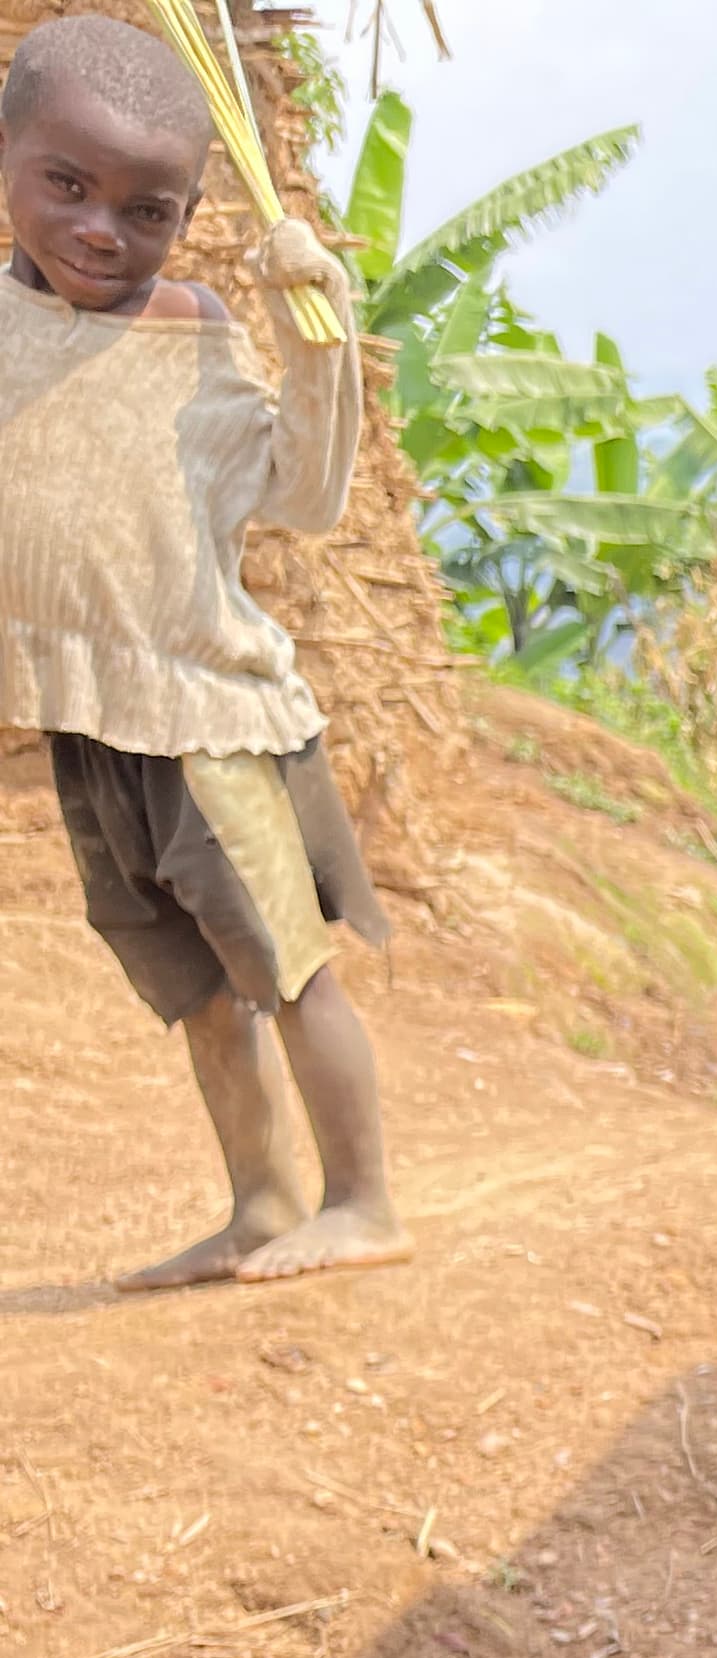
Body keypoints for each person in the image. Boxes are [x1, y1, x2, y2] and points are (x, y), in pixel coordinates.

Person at [1, 11, 404, 1289]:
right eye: (67, 185)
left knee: (287, 977)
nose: (99, 230)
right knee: (196, 995)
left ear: (185, 220)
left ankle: (365, 1202)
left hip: (209, 725)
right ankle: (263, 1205)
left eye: (145, 208)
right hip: (91, 724)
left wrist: (311, 333)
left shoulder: (193, 344)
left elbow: (305, 492)